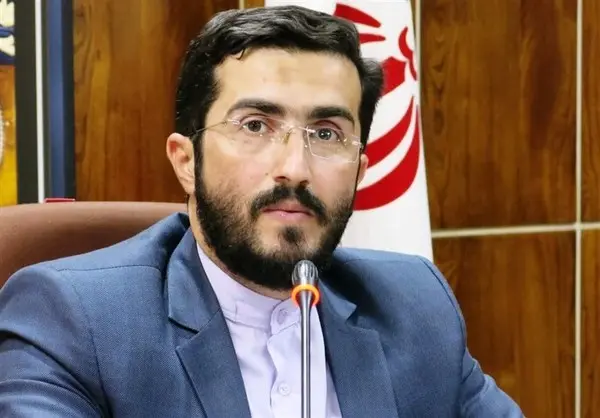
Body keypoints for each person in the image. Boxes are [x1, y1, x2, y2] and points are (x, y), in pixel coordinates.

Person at [0, 5, 523, 417]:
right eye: (255, 126)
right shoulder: (73, 321)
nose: (294, 168)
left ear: (360, 170)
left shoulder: (415, 307)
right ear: (186, 161)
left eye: (326, 134)